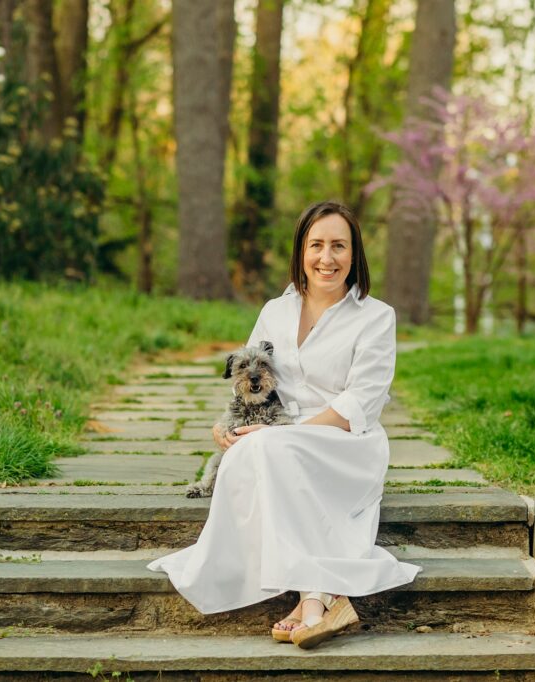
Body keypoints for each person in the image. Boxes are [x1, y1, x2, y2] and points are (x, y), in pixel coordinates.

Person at [146, 200, 421, 649]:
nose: (326, 258)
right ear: (301, 251)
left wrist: (285, 433)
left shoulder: (376, 316)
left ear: (355, 254)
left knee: (272, 450)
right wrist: (229, 427)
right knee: (252, 454)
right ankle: (316, 599)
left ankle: (310, 601)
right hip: (275, 436)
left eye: (339, 246)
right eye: (316, 245)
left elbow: (362, 402)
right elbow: (250, 377)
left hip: (345, 443)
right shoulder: (275, 311)